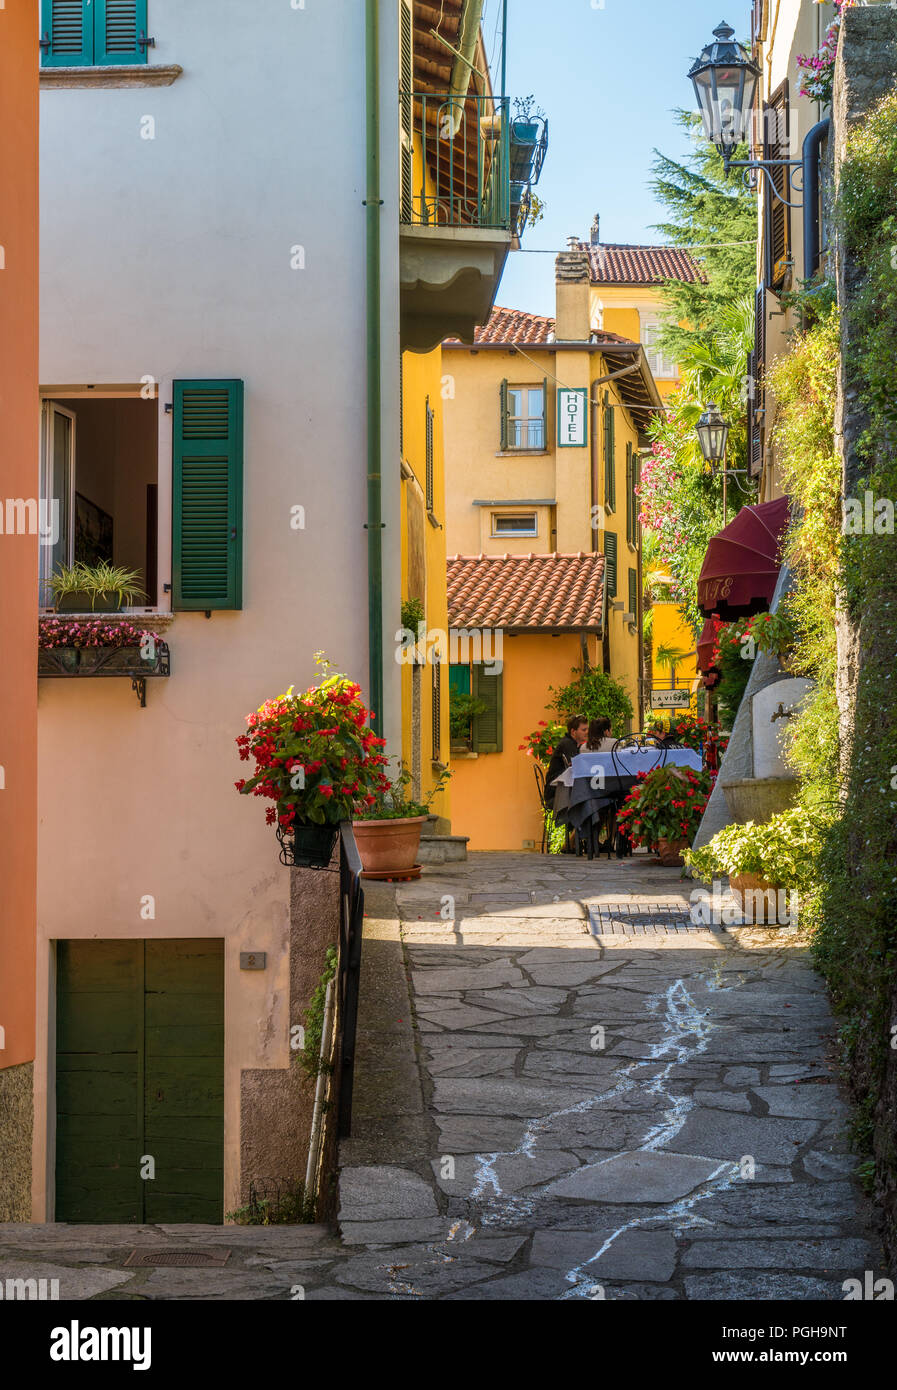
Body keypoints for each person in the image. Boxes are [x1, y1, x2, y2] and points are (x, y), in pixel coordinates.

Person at [544, 714, 588, 806]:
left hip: (561, 789)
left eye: (587, 729)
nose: (587, 732)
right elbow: (578, 769)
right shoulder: (568, 744)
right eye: (584, 730)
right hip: (556, 793)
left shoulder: (572, 744)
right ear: (573, 732)